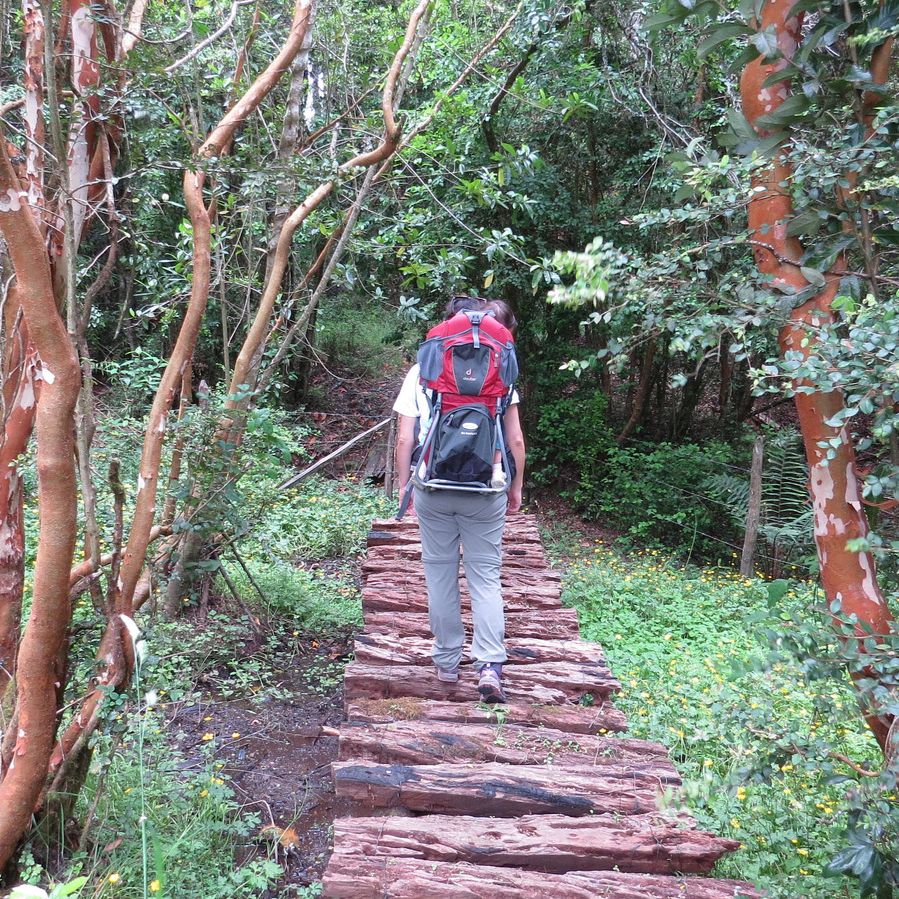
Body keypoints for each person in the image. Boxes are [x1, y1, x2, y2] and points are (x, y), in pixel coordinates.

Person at [394, 296, 526, 704]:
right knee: (485, 576)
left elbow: (405, 437)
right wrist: (517, 486)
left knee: (439, 574)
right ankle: (489, 665)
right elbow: (515, 439)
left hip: (433, 485)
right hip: (487, 487)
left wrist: (404, 486)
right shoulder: (501, 366)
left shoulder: (423, 368)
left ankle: (448, 662)